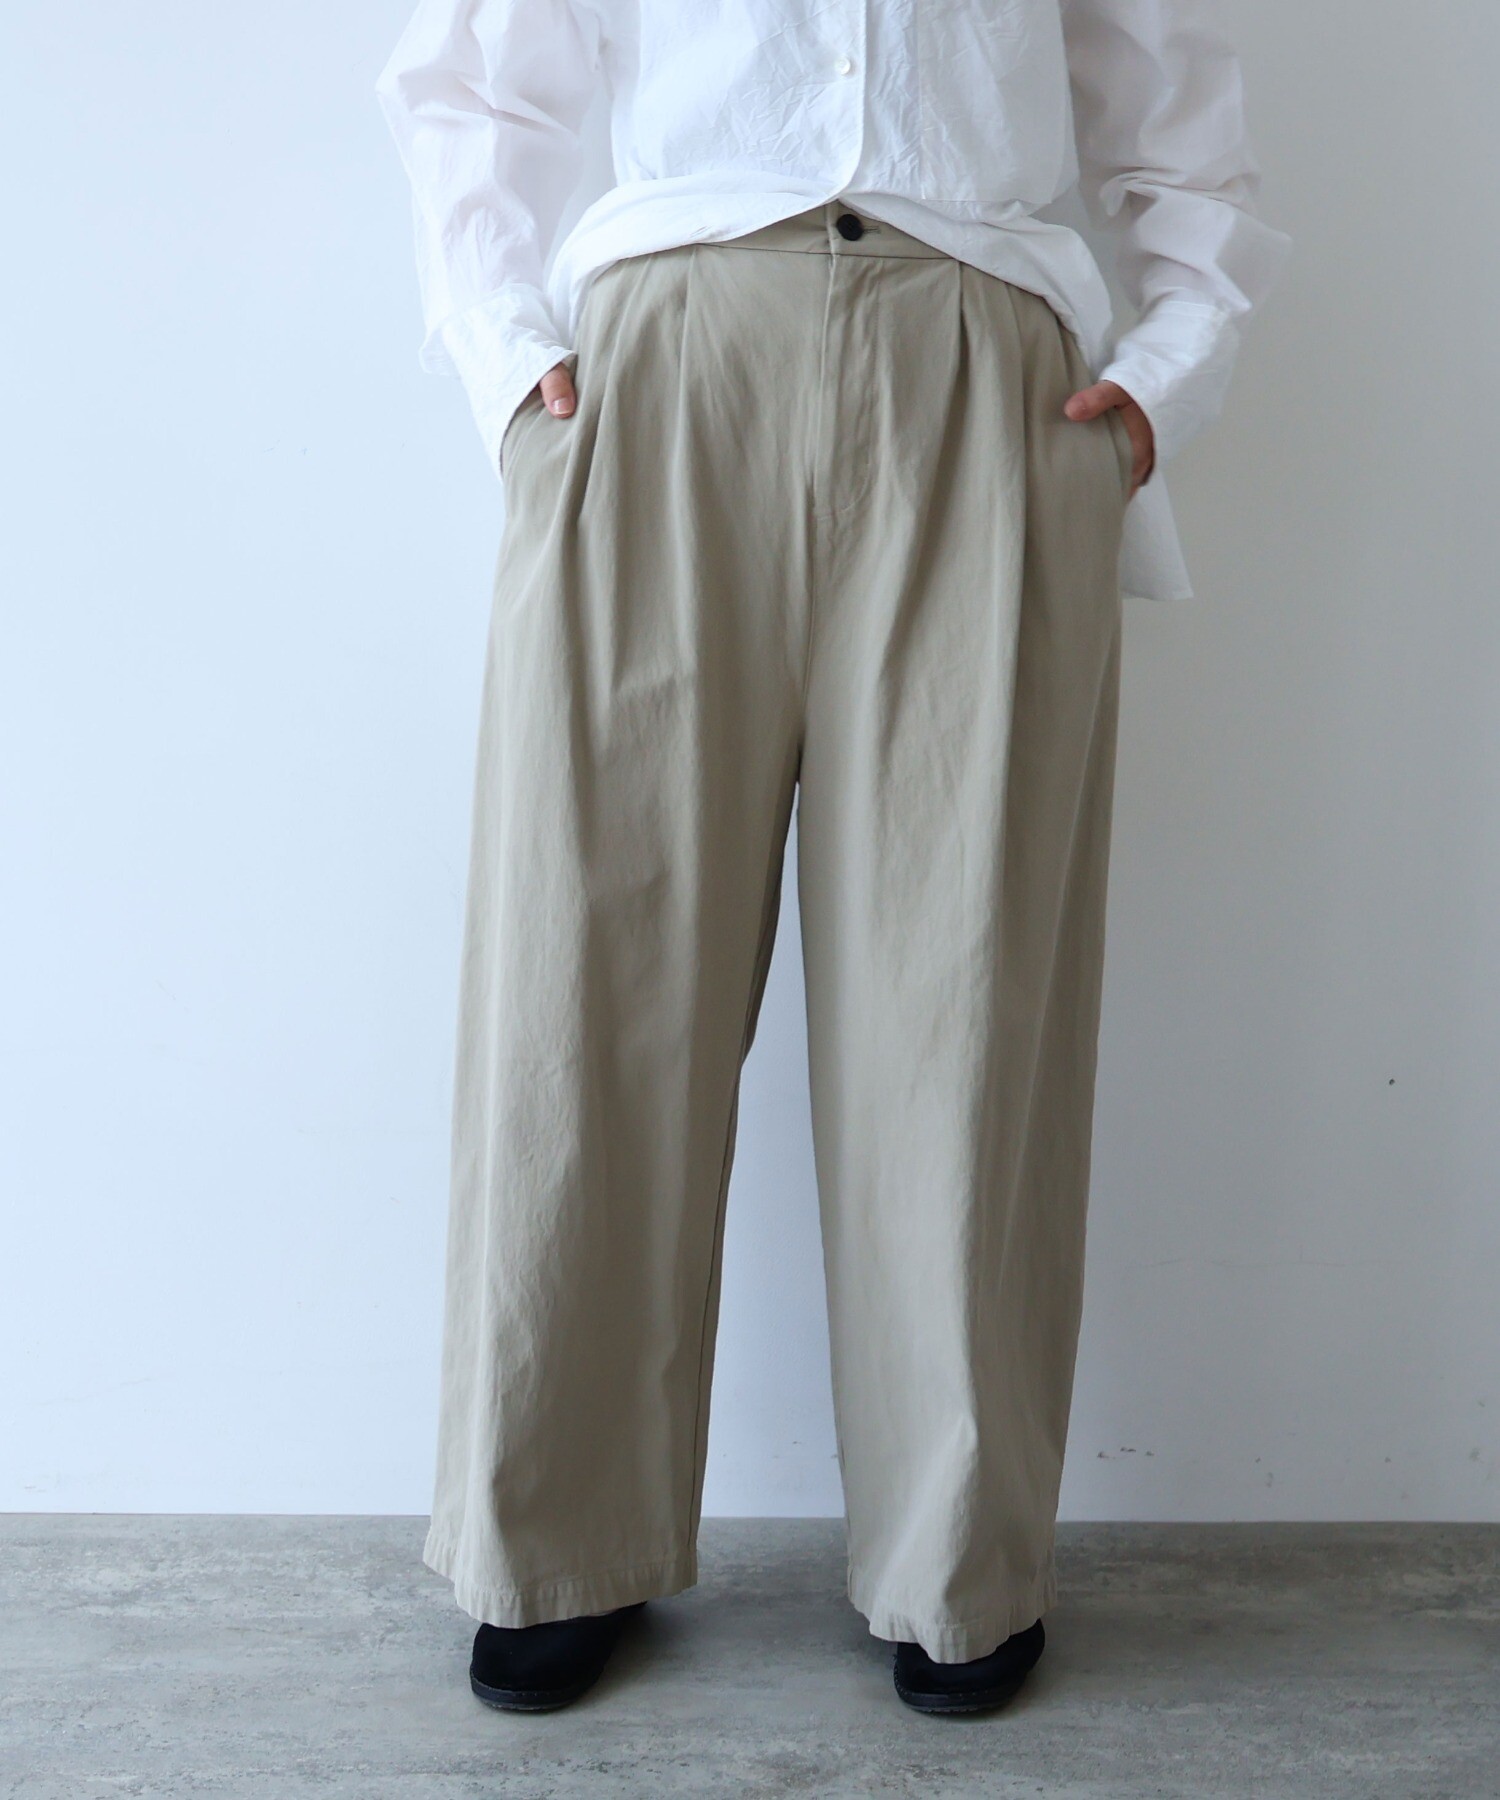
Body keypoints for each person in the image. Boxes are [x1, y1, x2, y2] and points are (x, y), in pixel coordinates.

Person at [376, 0, 1289, 1718]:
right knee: (586, 977)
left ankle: (959, 1556)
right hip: (661, 361)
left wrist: (1165, 380)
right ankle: (554, 1532)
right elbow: (475, 78)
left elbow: (1175, 102)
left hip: (984, 365)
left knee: (963, 999)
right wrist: (506, 367)